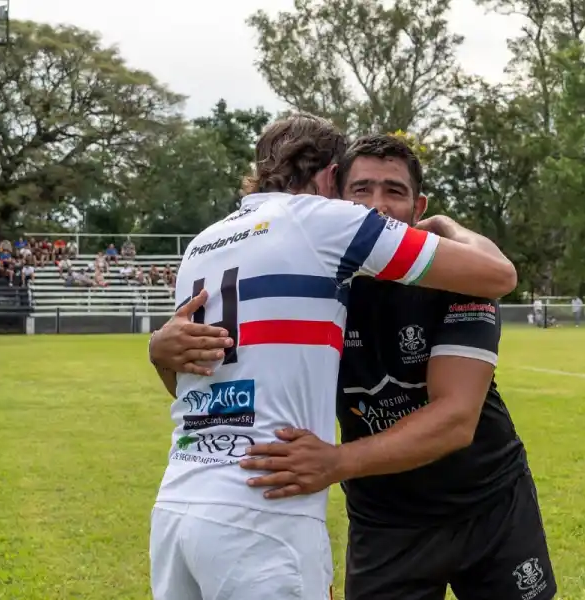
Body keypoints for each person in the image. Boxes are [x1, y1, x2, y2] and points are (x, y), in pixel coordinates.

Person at [150, 134, 555, 600]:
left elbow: (456, 419)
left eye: (394, 191)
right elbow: (220, 388)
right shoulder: (308, 280)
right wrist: (162, 352)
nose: (377, 205)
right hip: (384, 520)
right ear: (335, 200)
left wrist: (336, 461)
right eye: (361, 190)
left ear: (418, 207)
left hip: (488, 503)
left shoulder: (458, 278)